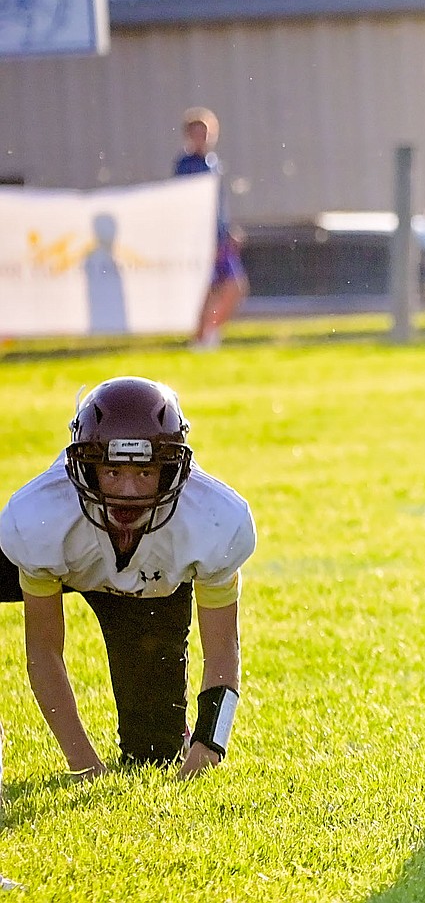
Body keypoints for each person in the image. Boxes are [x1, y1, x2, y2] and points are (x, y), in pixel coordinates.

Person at [0, 376, 256, 779]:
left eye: (145, 472)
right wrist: (83, 763)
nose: (128, 491)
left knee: (153, 751)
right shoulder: (40, 517)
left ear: (171, 470)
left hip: (148, 593)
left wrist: (210, 742)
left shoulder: (213, 520)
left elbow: (224, 651)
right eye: (113, 471)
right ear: (87, 468)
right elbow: (44, 653)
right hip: (67, 558)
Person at [175, 107, 249, 349]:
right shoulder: (186, 166)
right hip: (200, 239)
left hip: (220, 238)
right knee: (205, 290)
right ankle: (200, 338)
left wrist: (227, 232)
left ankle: (210, 332)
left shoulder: (213, 163)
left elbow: (218, 206)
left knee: (235, 287)